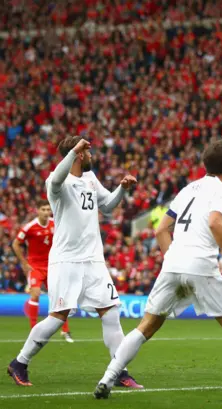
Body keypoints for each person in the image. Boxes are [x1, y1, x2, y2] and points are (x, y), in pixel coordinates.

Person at [93, 141, 222, 403]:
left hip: (172, 263)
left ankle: (107, 378)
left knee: (146, 326)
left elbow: (160, 229)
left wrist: (172, 258)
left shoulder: (186, 190)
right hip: (201, 263)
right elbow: (215, 223)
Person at [7, 136, 140, 388]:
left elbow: (108, 207)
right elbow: (57, 179)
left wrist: (121, 188)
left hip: (93, 260)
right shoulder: (57, 182)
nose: (91, 156)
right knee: (58, 317)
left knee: (110, 311)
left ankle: (119, 370)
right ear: (78, 154)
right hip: (67, 260)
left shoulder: (90, 179)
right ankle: (20, 363)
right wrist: (73, 151)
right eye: (87, 153)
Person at [12, 200, 73, 342]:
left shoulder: (55, 224)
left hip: (52, 265)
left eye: (48, 209)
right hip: (35, 267)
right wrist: (24, 262)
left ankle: (65, 331)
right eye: (43, 209)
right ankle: (34, 331)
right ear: (37, 211)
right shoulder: (30, 227)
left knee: (59, 296)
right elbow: (16, 243)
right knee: (35, 294)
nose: (46, 212)